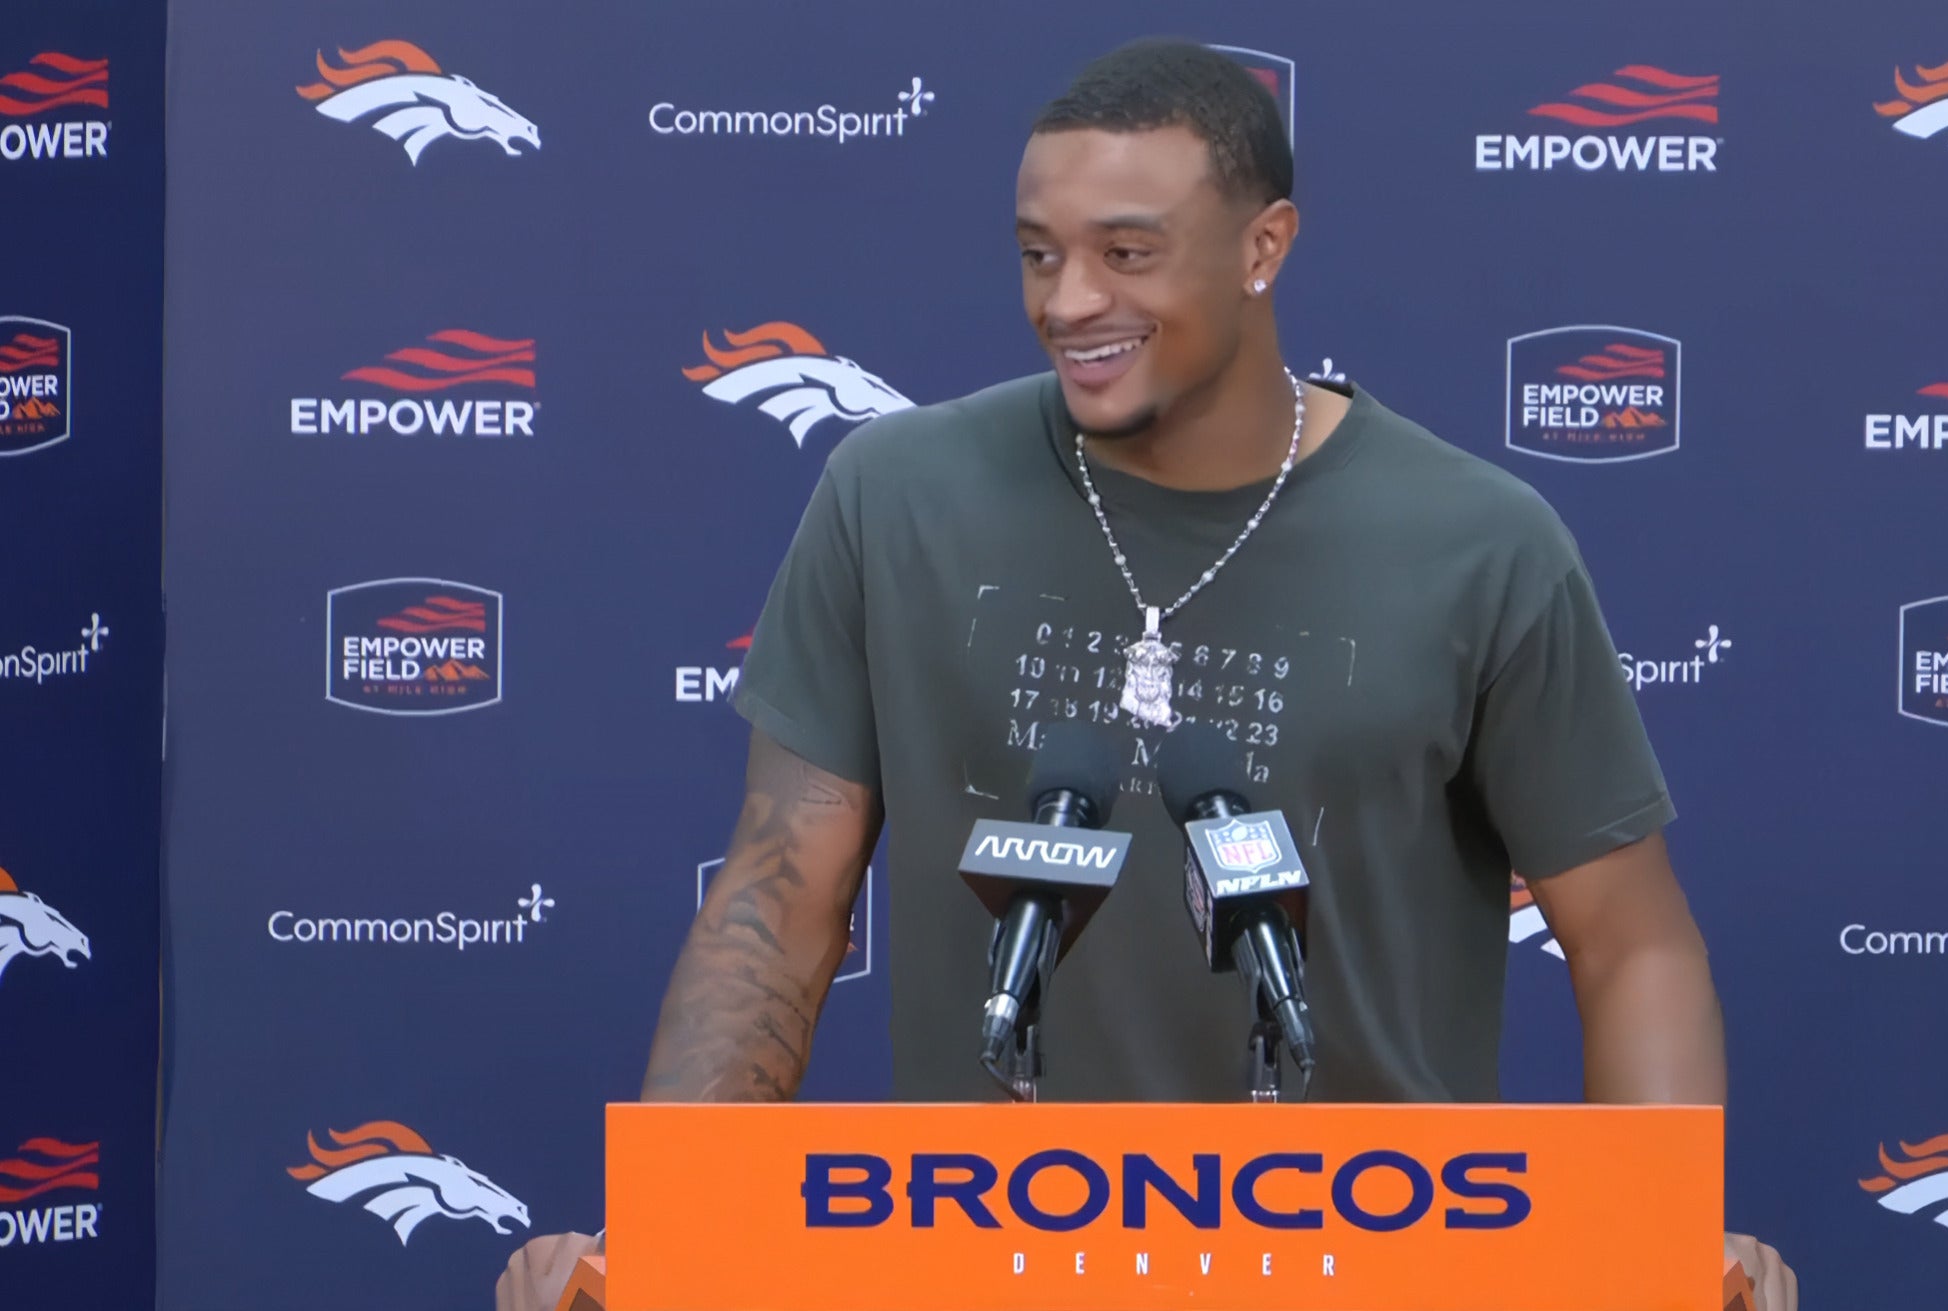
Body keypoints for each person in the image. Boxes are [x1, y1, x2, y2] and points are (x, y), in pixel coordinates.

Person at [501, 38, 1797, 1311]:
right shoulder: (894, 497)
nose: (1068, 301)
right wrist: (670, 1235)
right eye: (1037, 254)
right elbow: (778, 899)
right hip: (984, 1256)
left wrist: (1660, 1241)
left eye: (1126, 253)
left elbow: (1628, 941)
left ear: (1262, 247)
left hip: (1377, 1261)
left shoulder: (1475, 541)